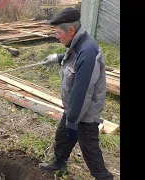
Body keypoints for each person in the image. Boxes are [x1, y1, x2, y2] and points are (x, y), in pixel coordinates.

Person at [38, 8, 114, 180]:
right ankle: (59, 163)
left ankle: (104, 177)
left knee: (90, 150)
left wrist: (72, 121)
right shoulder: (79, 43)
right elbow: (72, 55)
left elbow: (82, 93)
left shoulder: (88, 52)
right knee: (62, 137)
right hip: (74, 107)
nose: (57, 36)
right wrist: (57, 58)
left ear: (71, 30)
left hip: (84, 113)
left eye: (58, 33)